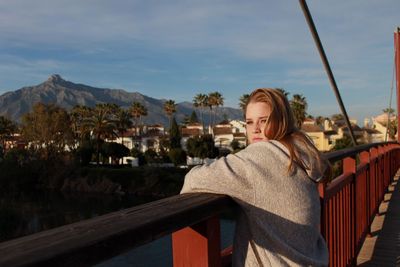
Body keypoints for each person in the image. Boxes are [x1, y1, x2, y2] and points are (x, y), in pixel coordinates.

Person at [181, 88, 329, 266]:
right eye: (249, 122)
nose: (255, 129)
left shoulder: (259, 159)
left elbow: (193, 180)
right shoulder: (300, 151)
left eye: (264, 121)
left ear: (281, 121)